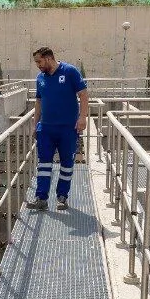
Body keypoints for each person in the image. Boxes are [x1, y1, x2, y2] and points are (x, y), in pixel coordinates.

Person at [27, 46, 88, 211]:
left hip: (68, 129)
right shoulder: (40, 78)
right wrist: (35, 124)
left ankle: (62, 196)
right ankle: (41, 198)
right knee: (44, 164)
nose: (38, 65)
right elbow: (38, 102)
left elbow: (83, 94)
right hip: (45, 129)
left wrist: (82, 118)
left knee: (67, 163)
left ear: (48, 58)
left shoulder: (70, 72)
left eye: (39, 61)